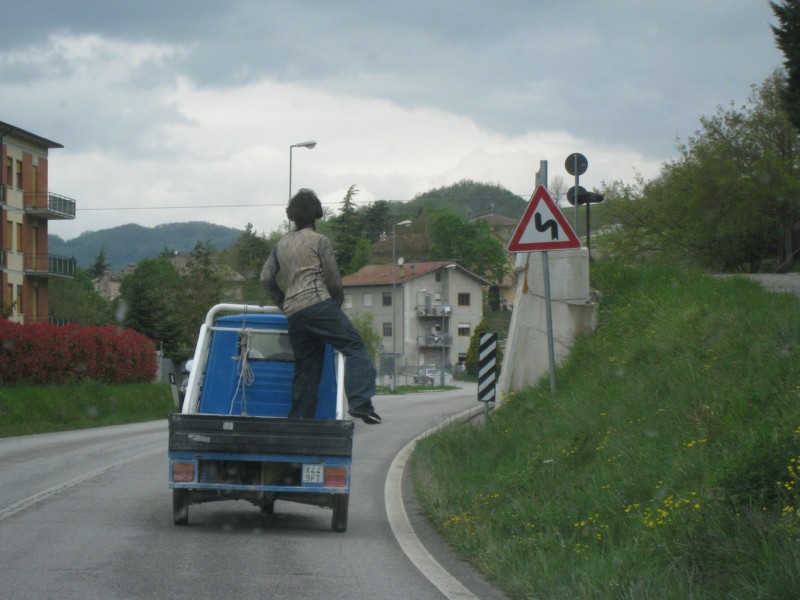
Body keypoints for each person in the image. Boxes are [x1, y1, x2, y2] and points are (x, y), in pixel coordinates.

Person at [260, 188, 381, 424]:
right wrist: (335, 304)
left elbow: (265, 278)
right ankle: (360, 403)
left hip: (295, 315)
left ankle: (299, 426)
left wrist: (284, 303)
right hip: (318, 304)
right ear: (316, 214)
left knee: (305, 371)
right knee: (354, 347)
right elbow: (333, 279)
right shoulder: (320, 241)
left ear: (292, 216)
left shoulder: (280, 245)